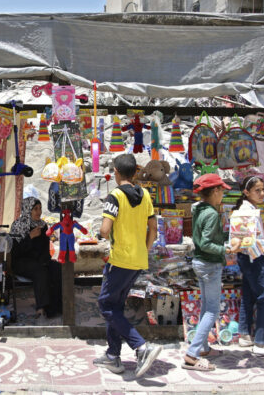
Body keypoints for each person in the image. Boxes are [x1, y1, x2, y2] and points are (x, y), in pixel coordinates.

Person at [93, 154, 162, 378]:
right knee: (116, 307)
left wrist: (101, 234)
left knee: (106, 305)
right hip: (138, 260)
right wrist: (146, 249)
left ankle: (141, 347)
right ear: (134, 173)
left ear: (116, 172)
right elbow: (154, 229)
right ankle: (113, 355)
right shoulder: (145, 195)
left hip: (120, 259)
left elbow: (104, 230)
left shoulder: (115, 196)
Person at [183, 173, 238, 372]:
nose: (223, 194)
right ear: (215, 191)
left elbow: (207, 236)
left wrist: (228, 236)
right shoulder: (212, 213)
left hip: (200, 263)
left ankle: (203, 346)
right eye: (222, 190)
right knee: (212, 310)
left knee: (206, 306)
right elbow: (206, 243)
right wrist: (226, 249)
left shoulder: (199, 208)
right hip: (209, 264)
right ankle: (192, 354)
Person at [232, 176, 264, 357]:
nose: (262, 194)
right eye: (257, 190)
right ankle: (260, 342)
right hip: (253, 258)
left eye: (263, 190)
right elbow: (249, 241)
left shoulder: (247, 209)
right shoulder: (247, 211)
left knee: (249, 295)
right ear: (246, 192)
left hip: (248, 258)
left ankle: (244, 334)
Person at [10, 197, 62, 319]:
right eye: (35, 209)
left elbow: (45, 249)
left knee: (57, 268)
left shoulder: (42, 226)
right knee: (40, 271)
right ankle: (41, 308)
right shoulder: (18, 225)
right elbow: (16, 252)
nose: (38, 212)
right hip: (21, 262)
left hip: (39, 260)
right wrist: (30, 237)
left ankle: (57, 306)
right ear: (28, 210)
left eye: (40, 208)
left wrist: (45, 260)